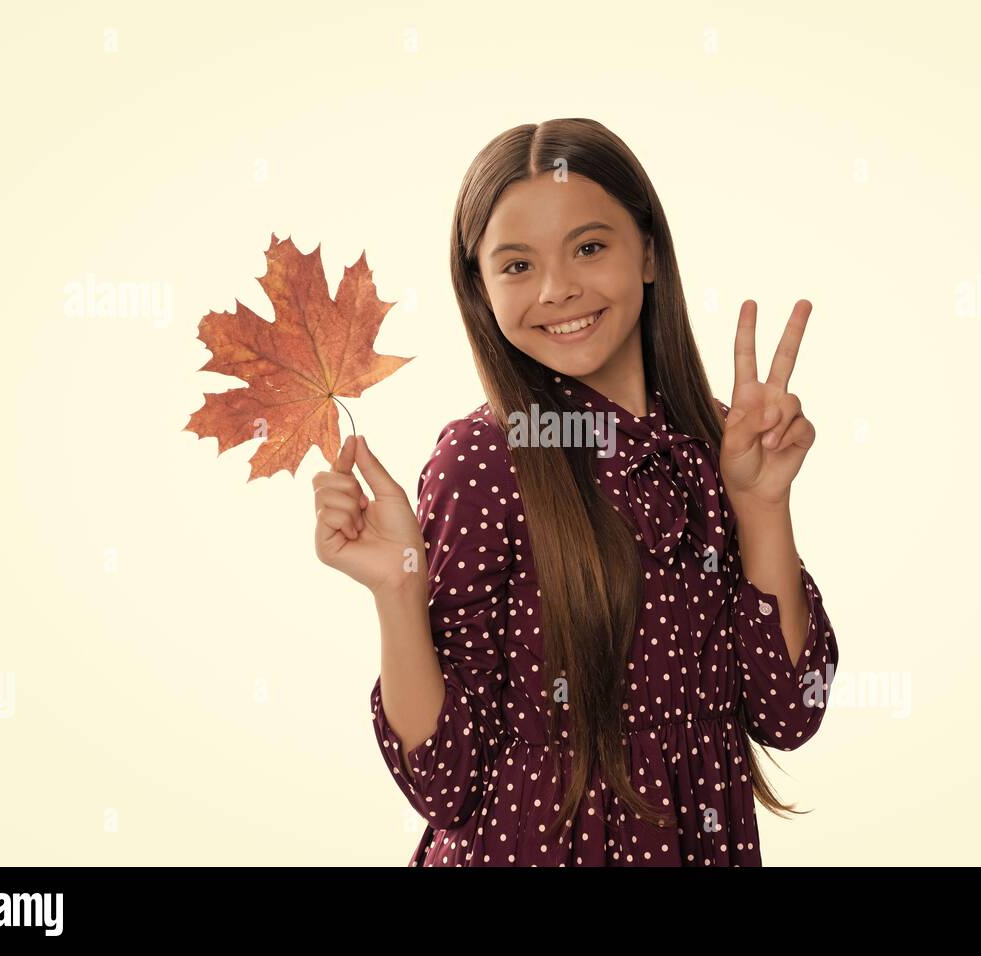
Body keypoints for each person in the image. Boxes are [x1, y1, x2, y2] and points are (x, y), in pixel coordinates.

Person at [312, 118, 839, 866]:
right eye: (517, 265)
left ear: (649, 252)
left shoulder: (722, 447)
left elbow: (791, 712)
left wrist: (760, 504)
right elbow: (446, 786)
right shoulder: (485, 460)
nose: (558, 290)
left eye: (589, 248)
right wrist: (398, 591)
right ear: (480, 286)